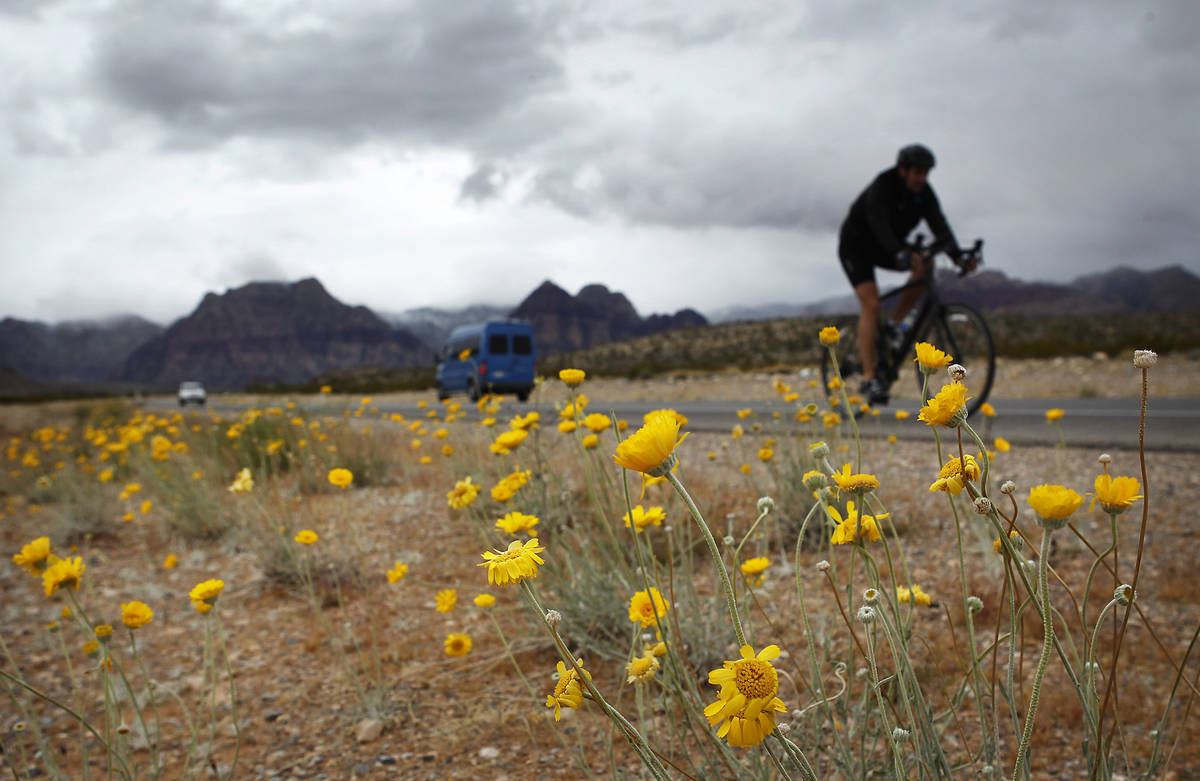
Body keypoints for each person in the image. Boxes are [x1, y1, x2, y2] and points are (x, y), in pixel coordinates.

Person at [836, 143, 969, 405]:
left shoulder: (924, 194)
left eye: (925, 173)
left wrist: (958, 255)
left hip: (888, 248)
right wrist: (899, 252)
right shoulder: (883, 186)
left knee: (925, 265)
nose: (921, 178)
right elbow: (878, 223)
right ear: (903, 170)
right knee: (871, 305)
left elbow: (939, 225)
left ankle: (896, 324)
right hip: (857, 247)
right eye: (917, 172)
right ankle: (869, 378)